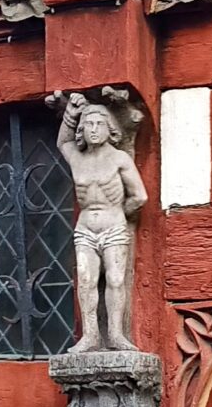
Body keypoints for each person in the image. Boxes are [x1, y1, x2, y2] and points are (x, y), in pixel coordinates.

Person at [54, 92, 148, 353]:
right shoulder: (78, 158)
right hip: (85, 228)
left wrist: (118, 214)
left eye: (99, 124)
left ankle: (116, 335)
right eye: (89, 125)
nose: (93, 130)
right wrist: (72, 113)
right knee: (86, 280)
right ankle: (90, 336)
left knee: (116, 279)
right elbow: (63, 142)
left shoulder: (119, 159)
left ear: (110, 129)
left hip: (113, 225)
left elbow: (139, 196)